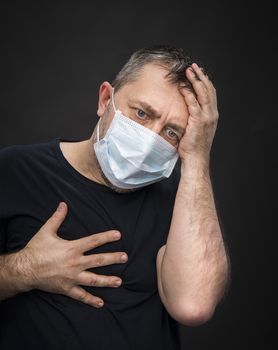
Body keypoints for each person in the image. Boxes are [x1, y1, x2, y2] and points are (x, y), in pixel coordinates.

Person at [0, 45, 230, 350]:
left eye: (172, 132)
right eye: (142, 113)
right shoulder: (16, 170)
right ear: (105, 99)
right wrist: (24, 269)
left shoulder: (185, 198)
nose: (150, 141)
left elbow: (194, 305)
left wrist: (198, 159)